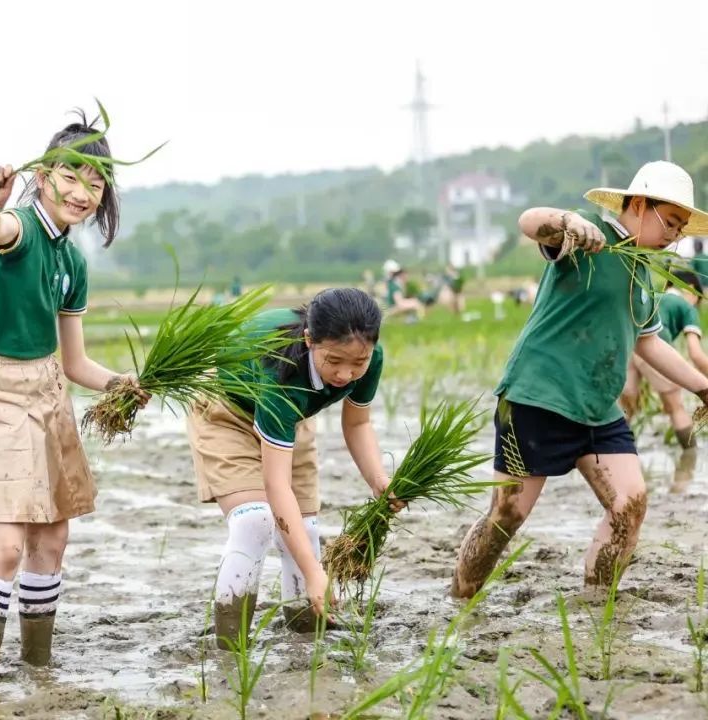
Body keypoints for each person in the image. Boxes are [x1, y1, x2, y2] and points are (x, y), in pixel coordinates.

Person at [0, 111, 147, 685]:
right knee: (7, 546)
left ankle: (38, 670)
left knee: (53, 537)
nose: (82, 192)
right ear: (43, 176)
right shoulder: (20, 229)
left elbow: (75, 361)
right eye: (71, 175)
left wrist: (121, 384)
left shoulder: (72, 261)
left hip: (47, 389)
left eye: (96, 182)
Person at [452, 161, 708, 599]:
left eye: (681, 229)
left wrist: (703, 387)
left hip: (598, 407)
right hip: (538, 397)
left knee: (630, 503)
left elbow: (650, 345)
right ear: (641, 204)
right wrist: (567, 221)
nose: (674, 236)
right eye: (671, 222)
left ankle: (596, 603)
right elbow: (530, 221)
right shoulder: (588, 233)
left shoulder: (643, 272)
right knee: (508, 514)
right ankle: (460, 595)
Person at [187, 288, 402, 646]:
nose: (345, 374)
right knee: (254, 521)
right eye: (334, 361)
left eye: (357, 363)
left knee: (305, 527)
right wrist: (315, 571)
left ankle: (306, 628)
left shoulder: (369, 358)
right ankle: (229, 642)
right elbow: (276, 486)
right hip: (226, 411)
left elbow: (358, 424)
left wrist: (379, 479)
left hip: (292, 418)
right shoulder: (281, 374)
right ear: (309, 340)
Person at [620, 271, 708, 449]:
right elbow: (695, 353)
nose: (696, 304)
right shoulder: (686, 306)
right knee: (675, 408)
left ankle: (616, 451)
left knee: (626, 408)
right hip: (654, 348)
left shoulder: (652, 296)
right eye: (697, 299)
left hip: (628, 348)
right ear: (690, 289)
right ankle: (689, 458)